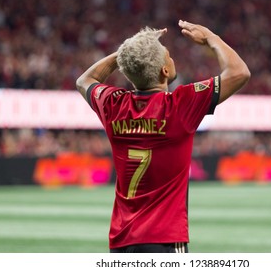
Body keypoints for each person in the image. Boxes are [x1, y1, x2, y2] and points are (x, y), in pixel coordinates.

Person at [76, 20, 250, 253]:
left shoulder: (113, 104)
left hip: (121, 242)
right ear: (164, 71)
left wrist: (129, 52)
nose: (172, 58)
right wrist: (211, 38)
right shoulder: (180, 105)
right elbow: (239, 72)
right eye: (168, 56)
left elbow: (84, 81)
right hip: (164, 240)